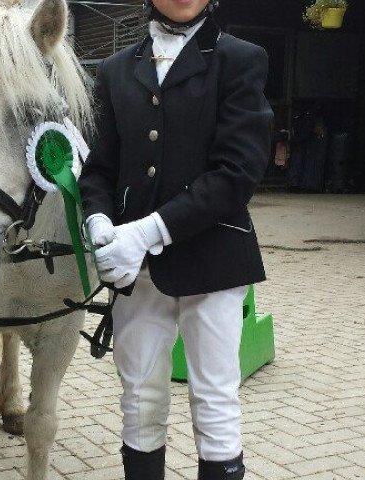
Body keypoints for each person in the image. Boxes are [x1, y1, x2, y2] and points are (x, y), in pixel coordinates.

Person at [78, 0, 272, 478]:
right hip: (135, 269)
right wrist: (99, 223)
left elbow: (237, 173)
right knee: (140, 397)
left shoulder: (240, 59)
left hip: (213, 260)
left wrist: (146, 232)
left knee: (214, 399)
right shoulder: (114, 70)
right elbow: (98, 168)